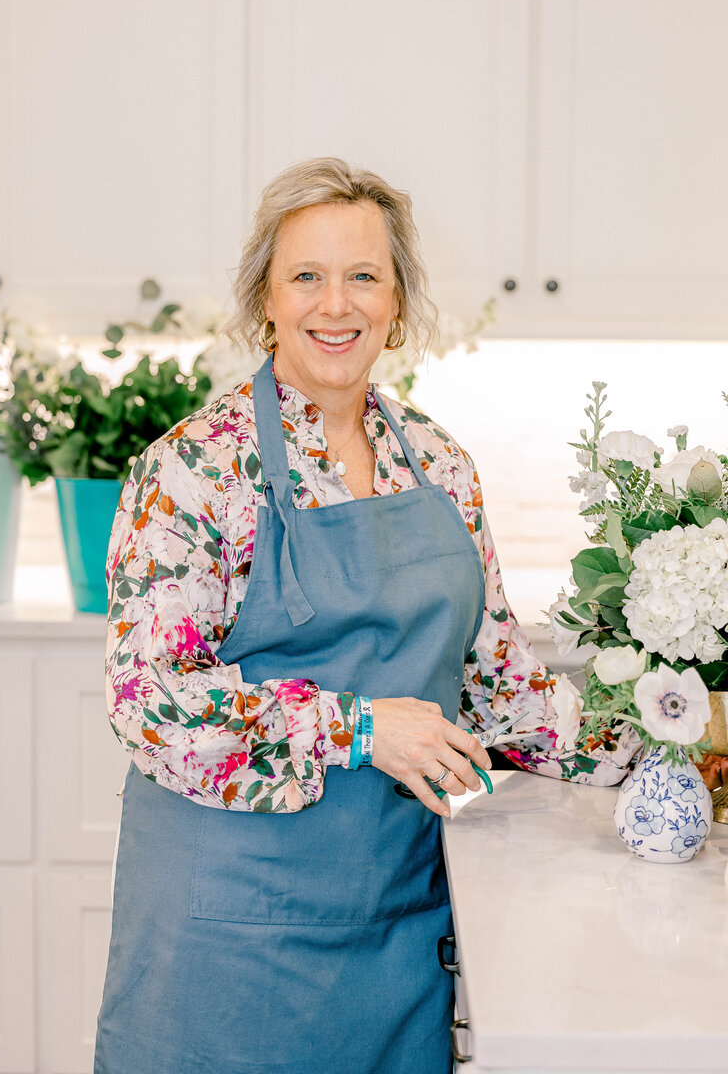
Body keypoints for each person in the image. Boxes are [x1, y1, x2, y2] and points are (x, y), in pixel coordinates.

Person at [93, 157, 638, 1074]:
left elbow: (497, 691)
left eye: (364, 276)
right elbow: (150, 704)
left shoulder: (440, 463)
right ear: (265, 295)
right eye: (306, 275)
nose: (334, 304)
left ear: (397, 301)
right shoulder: (195, 470)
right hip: (227, 942)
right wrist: (355, 728)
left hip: (395, 924)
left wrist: (662, 748)